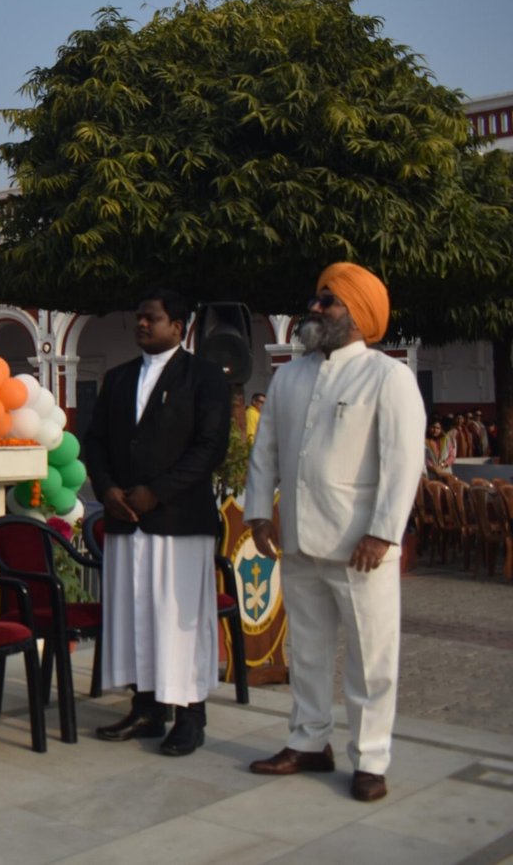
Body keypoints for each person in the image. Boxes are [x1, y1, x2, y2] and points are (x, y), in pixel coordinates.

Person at [243, 262, 425, 803]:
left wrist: (383, 532)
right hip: (300, 538)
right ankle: (308, 741)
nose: (315, 308)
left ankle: (370, 759)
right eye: (317, 299)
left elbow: (403, 462)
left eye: (329, 301)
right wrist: (258, 512)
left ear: (359, 315)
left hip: (360, 546)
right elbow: (265, 450)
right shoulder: (289, 377)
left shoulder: (387, 376)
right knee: (308, 650)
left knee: (372, 658)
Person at [83, 287, 232, 757]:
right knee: (135, 613)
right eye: (139, 317)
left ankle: (190, 715)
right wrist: (107, 489)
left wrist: (157, 492)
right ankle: (146, 707)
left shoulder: (204, 376)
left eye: (152, 317)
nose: (142, 324)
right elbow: (94, 442)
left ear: (178, 327)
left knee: (178, 619)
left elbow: (210, 447)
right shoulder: (118, 377)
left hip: (178, 519)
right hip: (125, 518)